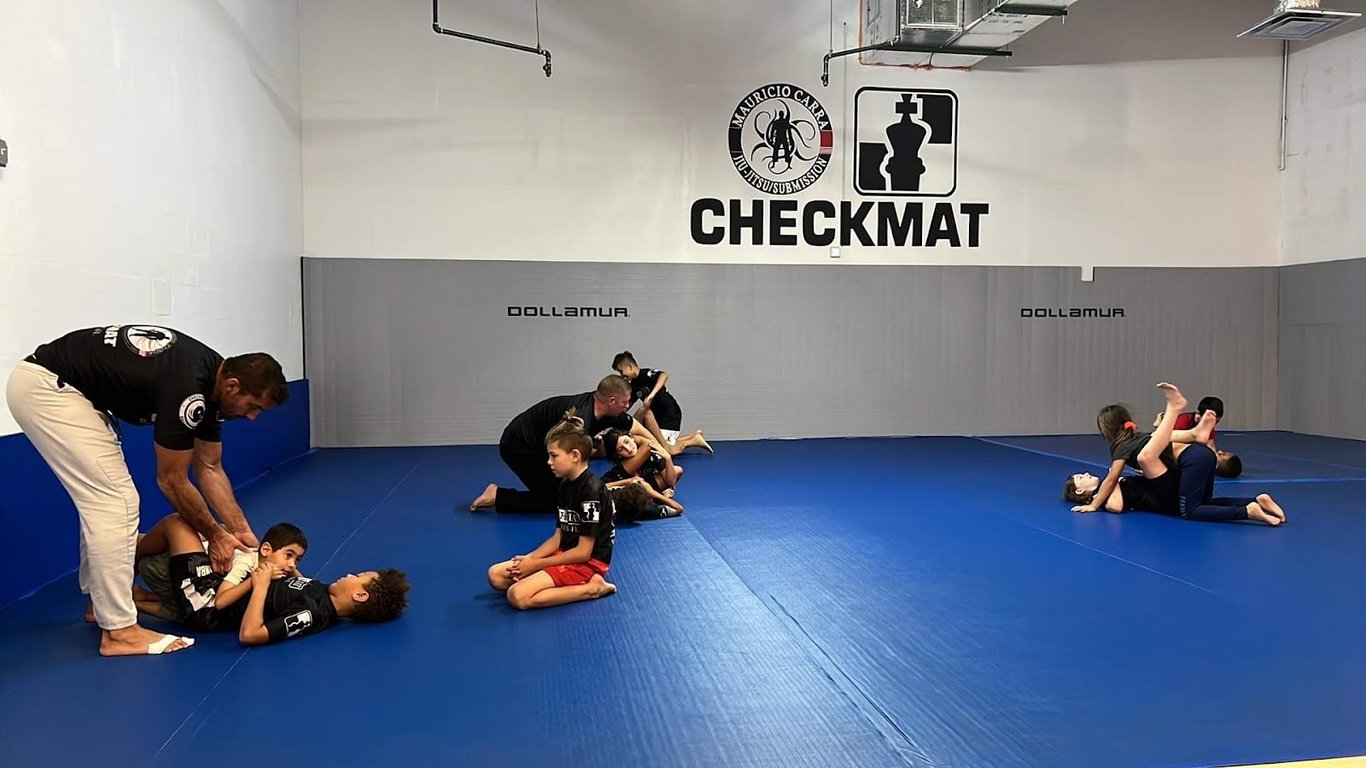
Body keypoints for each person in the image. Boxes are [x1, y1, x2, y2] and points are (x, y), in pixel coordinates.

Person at [6, 325, 288, 656]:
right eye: (254, 406)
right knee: (115, 502)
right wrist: (215, 534)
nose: (252, 417)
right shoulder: (188, 386)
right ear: (233, 385)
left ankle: (100, 604)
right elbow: (171, 480)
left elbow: (209, 466)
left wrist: (239, 531)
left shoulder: (214, 388)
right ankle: (119, 632)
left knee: (103, 500)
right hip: (49, 388)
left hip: (64, 388)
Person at [1065, 384, 1283, 525]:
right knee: (1205, 502)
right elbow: (1114, 493)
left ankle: (1247, 511)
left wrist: (1094, 505)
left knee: (1189, 509)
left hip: (1189, 463)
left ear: (1107, 431)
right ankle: (1254, 500)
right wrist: (1098, 498)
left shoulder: (1123, 448)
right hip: (1201, 457)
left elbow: (1113, 477)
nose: (1086, 473)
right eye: (1081, 477)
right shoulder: (1136, 438)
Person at [485, 413, 617, 610]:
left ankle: (592, 588)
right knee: (496, 575)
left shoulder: (591, 492)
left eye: (554, 456)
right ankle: (545, 581)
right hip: (565, 553)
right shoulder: (565, 486)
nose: (548, 462)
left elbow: (583, 552)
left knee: (517, 596)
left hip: (588, 563)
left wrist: (537, 565)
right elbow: (558, 537)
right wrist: (531, 559)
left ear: (575, 456)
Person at [468, 375, 654, 514]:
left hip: (543, 445)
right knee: (559, 500)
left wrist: (664, 450)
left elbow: (635, 426)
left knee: (567, 493)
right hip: (519, 445)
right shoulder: (581, 418)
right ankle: (497, 496)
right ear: (611, 401)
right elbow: (567, 460)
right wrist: (616, 484)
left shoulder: (609, 412)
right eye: (625, 402)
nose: (628, 405)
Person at [131, 514, 307, 631]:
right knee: (202, 527)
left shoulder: (263, 563)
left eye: (297, 559)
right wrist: (256, 578)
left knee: (174, 524)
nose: (292, 564)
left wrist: (289, 567)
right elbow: (221, 600)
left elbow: (305, 585)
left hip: (201, 597)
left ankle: (136, 596)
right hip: (169, 571)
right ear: (266, 550)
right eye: (289, 555)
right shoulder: (247, 562)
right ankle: (131, 568)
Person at [238, 565, 410, 645]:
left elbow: (250, 634)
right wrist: (289, 566)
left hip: (224, 600)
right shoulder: (328, 593)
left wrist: (260, 586)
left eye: (358, 576)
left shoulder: (312, 613)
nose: (349, 574)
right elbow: (302, 588)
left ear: (359, 595)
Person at [610, 352, 712, 456]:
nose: (622, 376)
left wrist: (651, 395)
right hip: (656, 419)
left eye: (621, 372)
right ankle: (693, 437)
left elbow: (664, 375)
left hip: (670, 415)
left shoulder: (646, 374)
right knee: (656, 442)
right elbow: (627, 405)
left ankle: (693, 441)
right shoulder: (633, 385)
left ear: (629, 366)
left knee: (660, 449)